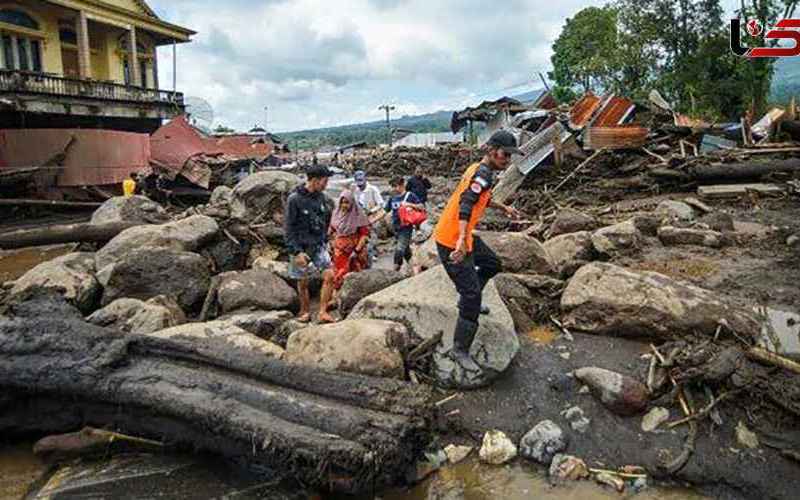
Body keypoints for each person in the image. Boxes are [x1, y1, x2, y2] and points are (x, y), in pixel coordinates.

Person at [433, 130, 523, 366]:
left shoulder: (481, 171)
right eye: (505, 155)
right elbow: (465, 205)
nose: (507, 160)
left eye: (510, 156)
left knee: (492, 264)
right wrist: (462, 240)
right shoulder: (482, 173)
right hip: (452, 240)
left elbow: (480, 197)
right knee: (472, 294)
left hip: (460, 236)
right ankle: (459, 350)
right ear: (492, 151)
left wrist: (504, 208)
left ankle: (467, 300)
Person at [285, 164, 336, 323]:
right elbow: (288, 228)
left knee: (330, 276)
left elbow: (324, 221)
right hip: (300, 247)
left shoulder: (321, 197)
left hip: (318, 245)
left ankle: (322, 311)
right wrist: (296, 251)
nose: (326, 184)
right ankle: (305, 311)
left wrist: (327, 240)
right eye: (325, 181)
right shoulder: (294, 199)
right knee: (303, 282)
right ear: (314, 180)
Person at [328, 189, 370, 304]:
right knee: (337, 273)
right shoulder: (336, 213)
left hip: (354, 250)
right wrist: (328, 242)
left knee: (354, 273)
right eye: (342, 202)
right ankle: (336, 298)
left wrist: (356, 250)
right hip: (338, 250)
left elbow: (364, 235)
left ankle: (356, 299)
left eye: (347, 202)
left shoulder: (358, 215)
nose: (343, 205)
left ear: (352, 203)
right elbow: (331, 229)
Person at [383, 176, 424, 272]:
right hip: (395, 227)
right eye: (392, 186)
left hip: (406, 227)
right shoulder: (392, 197)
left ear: (402, 185)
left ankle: (395, 270)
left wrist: (409, 205)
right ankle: (415, 268)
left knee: (400, 248)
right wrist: (371, 220)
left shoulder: (410, 195)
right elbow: (385, 210)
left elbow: (421, 207)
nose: (393, 188)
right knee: (405, 250)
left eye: (395, 186)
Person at [352, 170, 384, 266]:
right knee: (363, 236)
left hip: (373, 216)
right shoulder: (356, 190)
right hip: (361, 218)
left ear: (365, 179)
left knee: (373, 235)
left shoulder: (373, 189)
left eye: (361, 182)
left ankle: (373, 254)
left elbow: (381, 204)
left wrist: (371, 211)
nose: (360, 185)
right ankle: (369, 253)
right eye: (358, 182)